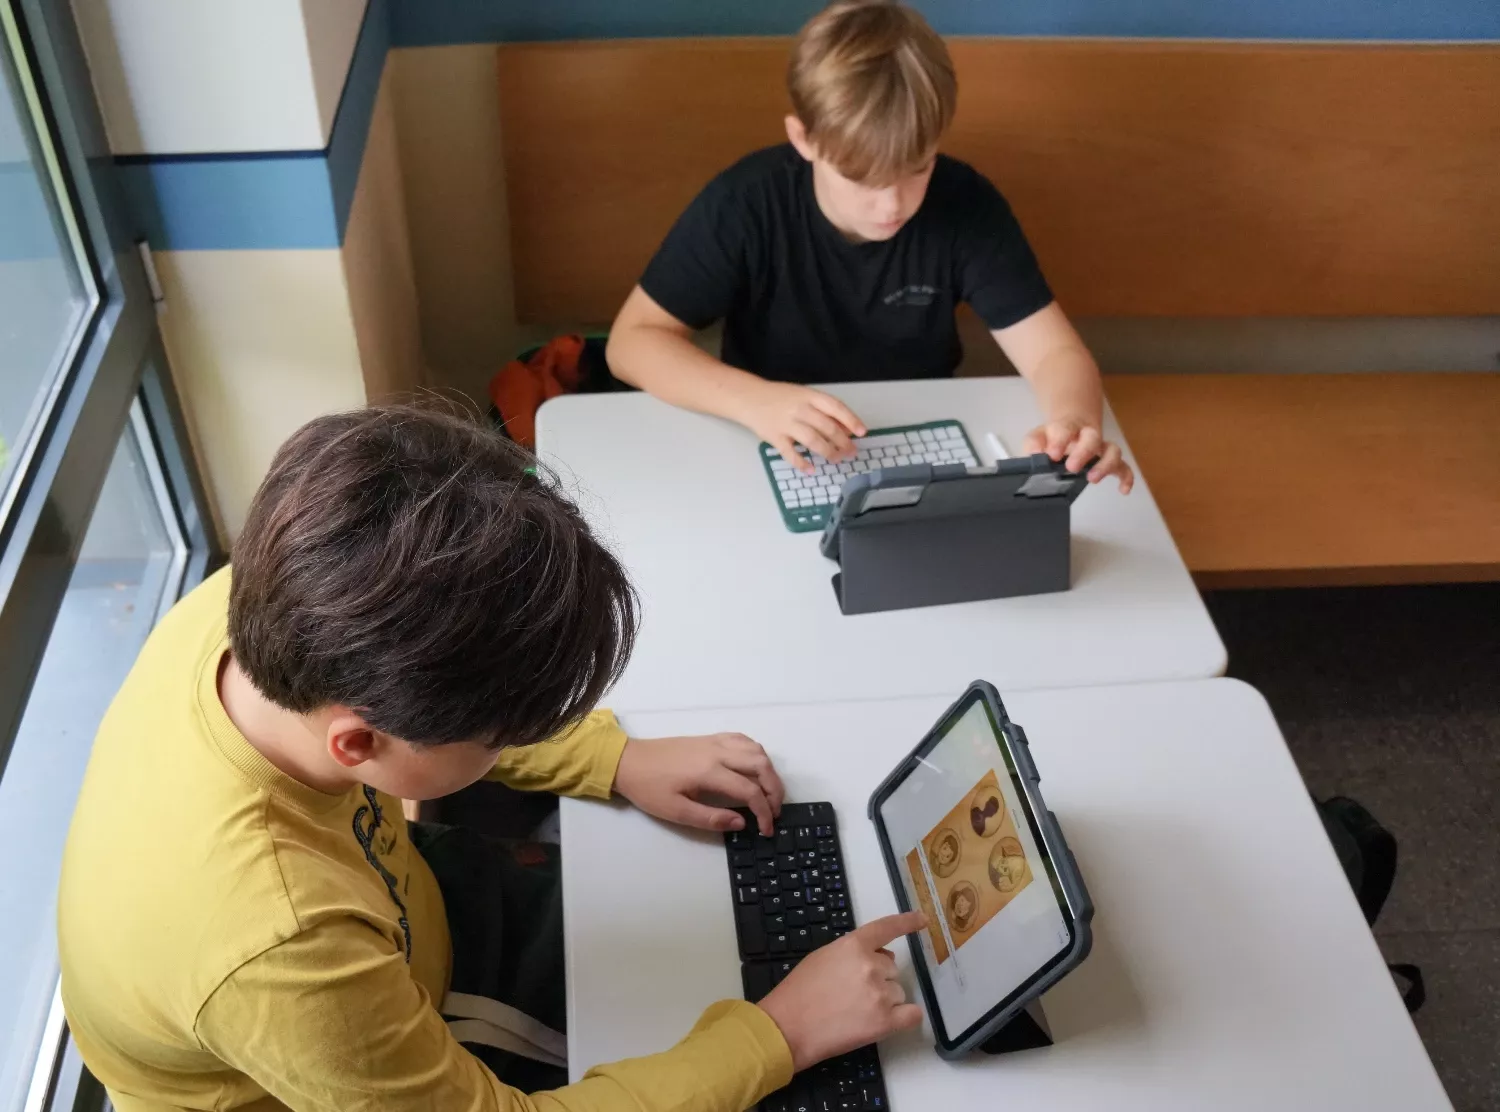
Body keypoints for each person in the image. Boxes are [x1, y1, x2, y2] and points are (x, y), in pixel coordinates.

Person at [57, 403, 924, 1112]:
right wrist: (782, 1036)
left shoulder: (273, 599)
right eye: (501, 732)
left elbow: (426, 704)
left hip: (393, 899)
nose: (517, 739)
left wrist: (611, 758)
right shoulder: (283, 949)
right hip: (328, 1050)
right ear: (360, 743)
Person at [607, 0, 1134, 492]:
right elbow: (631, 343)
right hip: (767, 439)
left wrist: (1073, 421)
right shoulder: (747, 203)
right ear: (804, 139)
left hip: (916, 437)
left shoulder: (966, 204)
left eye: (917, 168)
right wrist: (753, 400)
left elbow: (1054, 352)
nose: (892, 206)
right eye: (861, 178)